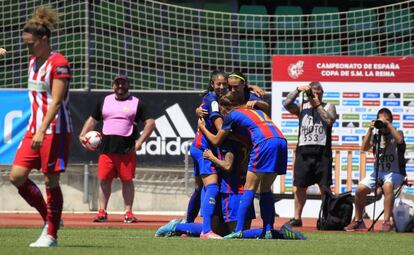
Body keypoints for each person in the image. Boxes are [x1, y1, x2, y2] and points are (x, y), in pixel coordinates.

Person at [9, 6, 71, 248]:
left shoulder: (59, 63)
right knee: (16, 176)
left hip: (53, 129)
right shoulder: (34, 59)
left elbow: (56, 102)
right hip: (35, 129)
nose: (27, 48)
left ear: (44, 40)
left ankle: (51, 235)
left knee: (51, 180)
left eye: (30, 43)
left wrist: (42, 129)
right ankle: (50, 217)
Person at [198, 91, 287, 239]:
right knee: (265, 189)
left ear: (223, 108)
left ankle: (238, 231)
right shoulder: (256, 112)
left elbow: (216, 140)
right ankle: (269, 230)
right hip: (280, 140)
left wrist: (202, 127)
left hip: (263, 143)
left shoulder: (232, 115)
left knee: (250, 188)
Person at [79, 75, 155, 223]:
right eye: (117, 83)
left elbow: (151, 123)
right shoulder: (104, 101)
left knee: (127, 181)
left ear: (128, 85)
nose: (120, 85)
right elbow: (93, 120)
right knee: (104, 180)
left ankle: (128, 213)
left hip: (126, 149)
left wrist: (139, 142)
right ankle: (102, 212)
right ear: (113, 85)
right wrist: (82, 134)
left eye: (123, 83)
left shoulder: (136, 103)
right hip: (106, 149)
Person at [283, 82, 337, 227]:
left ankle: (326, 217)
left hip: (322, 152)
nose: (316, 94)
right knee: (300, 186)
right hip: (304, 151)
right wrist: (297, 90)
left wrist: (317, 104)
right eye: (313, 92)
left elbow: (329, 120)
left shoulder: (328, 106)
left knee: (324, 186)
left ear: (323, 93)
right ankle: (297, 217)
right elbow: (286, 104)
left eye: (319, 92)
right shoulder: (302, 107)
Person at [345, 107, 406, 232]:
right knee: (360, 189)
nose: (382, 124)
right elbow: (364, 147)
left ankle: (386, 222)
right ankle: (358, 220)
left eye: (386, 120)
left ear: (391, 121)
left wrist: (388, 125)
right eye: (380, 120)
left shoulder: (398, 132)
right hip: (378, 172)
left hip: (396, 173)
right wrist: (370, 129)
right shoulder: (376, 135)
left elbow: (399, 140)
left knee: (388, 185)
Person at [188, 70, 228, 239]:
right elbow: (220, 128)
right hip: (204, 150)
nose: (221, 86)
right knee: (212, 186)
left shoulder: (210, 98)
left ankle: (187, 226)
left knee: (198, 189)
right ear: (212, 84)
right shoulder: (212, 101)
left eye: (223, 84)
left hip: (197, 147)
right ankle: (206, 230)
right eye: (218, 83)